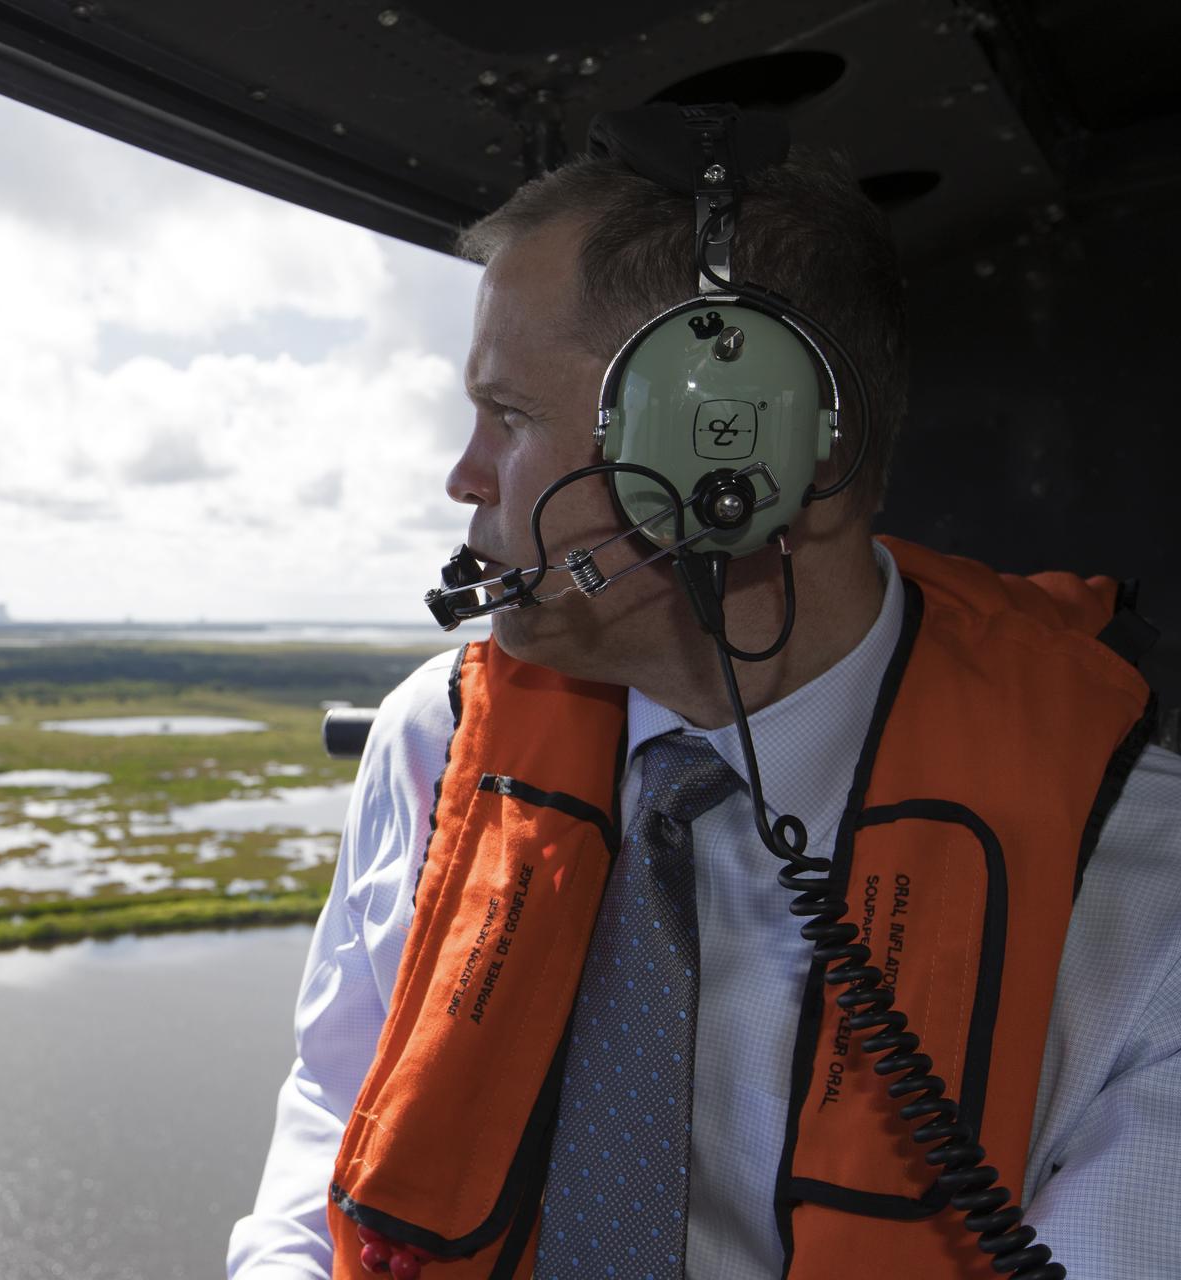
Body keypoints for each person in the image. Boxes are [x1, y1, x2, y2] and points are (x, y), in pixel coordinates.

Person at [226, 145, 1181, 1279]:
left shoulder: (1138, 885)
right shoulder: (435, 739)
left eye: (509, 415)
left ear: (741, 455)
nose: (464, 476)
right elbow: (335, 1100)